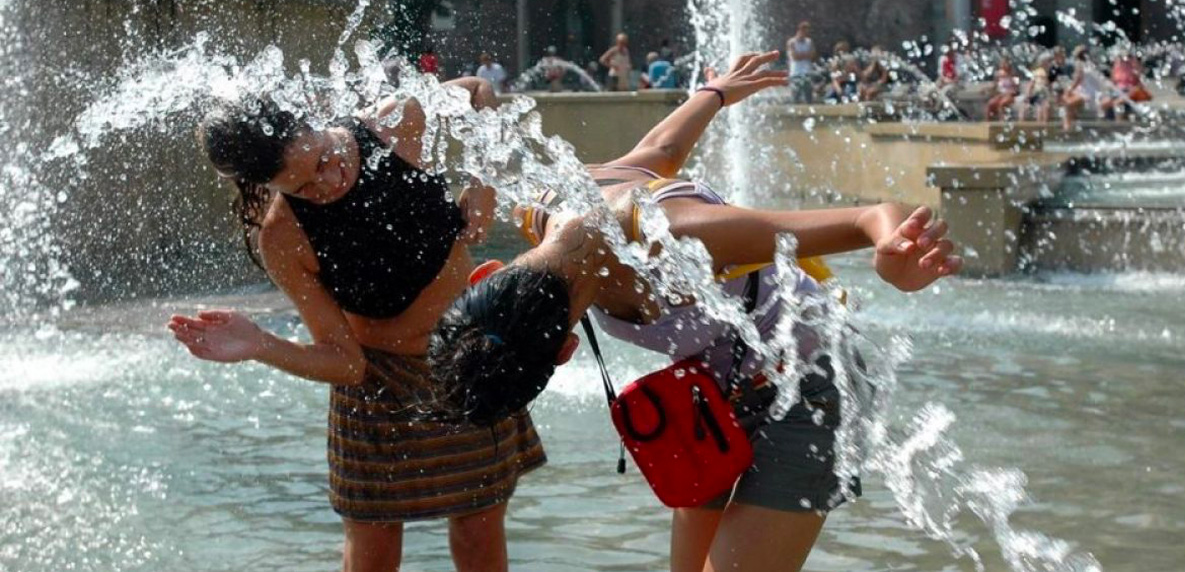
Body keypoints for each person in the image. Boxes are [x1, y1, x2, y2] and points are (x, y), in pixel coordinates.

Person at [429, 51, 962, 572]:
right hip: (707, 400)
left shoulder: (676, 239)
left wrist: (895, 253)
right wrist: (715, 94)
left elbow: (868, 215)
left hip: (810, 387)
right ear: (487, 274)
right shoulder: (539, 208)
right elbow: (656, 152)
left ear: (565, 351)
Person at [167, 76, 546, 572]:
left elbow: (479, 91)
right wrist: (261, 343)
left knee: (479, 540)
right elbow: (346, 364)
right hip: (377, 390)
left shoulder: (394, 122)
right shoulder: (284, 239)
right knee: (372, 557)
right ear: (267, 185)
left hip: (465, 362)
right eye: (303, 185)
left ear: (313, 122)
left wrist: (484, 184)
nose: (327, 181)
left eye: (323, 159)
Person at [786, 22, 816, 104]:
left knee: (808, 97)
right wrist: (806, 54)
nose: (806, 33)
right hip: (796, 72)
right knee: (795, 97)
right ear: (800, 30)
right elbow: (794, 56)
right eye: (805, 31)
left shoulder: (809, 41)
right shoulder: (792, 42)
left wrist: (801, 55)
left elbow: (812, 55)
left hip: (807, 71)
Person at [1018, 54, 1054, 124]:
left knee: (1042, 107)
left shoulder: (1050, 72)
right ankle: (1021, 124)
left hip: (1044, 94)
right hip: (1036, 93)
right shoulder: (1037, 72)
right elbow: (1031, 84)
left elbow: (1049, 86)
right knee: (1024, 106)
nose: (1049, 64)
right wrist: (1028, 95)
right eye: (1047, 62)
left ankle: (1042, 125)